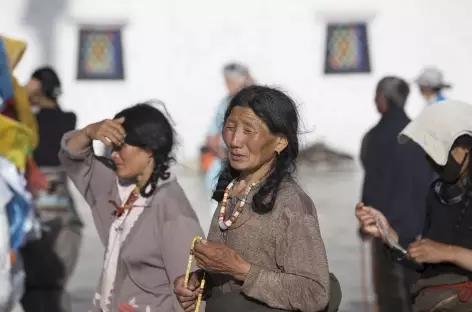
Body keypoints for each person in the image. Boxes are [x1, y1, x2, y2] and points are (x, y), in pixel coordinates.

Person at [175, 86, 341, 312]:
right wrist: (200, 282)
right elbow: (229, 278)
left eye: (249, 131)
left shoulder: (290, 204)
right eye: (230, 128)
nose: (235, 141)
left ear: (280, 141)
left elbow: (315, 292)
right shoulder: (232, 190)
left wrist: (242, 270)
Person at [59, 102, 205, 312]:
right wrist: (90, 131)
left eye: (121, 147)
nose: (113, 155)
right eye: (112, 148)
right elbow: (72, 157)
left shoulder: (173, 211)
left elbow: (191, 297)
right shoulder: (115, 184)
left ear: (149, 150)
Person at [356, 100, 472, 311]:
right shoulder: (437, 193)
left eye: (442, 154)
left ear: (467, 148)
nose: (434, 162)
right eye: (428, 154)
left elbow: (441, 253)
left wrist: (450, 252)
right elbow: (428, 260)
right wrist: (390, 236)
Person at [359, 77, 433, 312]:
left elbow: (371, 184)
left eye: (376, 96)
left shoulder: (374, 137)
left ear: (383, 100)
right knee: (419, 293)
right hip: (421, 231)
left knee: (390, 295)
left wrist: (364, 224)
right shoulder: (423, 135)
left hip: (385, 232)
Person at [19, 66, 82, 312]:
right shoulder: (68, 118)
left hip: (38, 194)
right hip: (58, 195)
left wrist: (23, 96)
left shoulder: (30, 121)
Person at [204, 63, 254, 200]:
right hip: (223, 162)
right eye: (227, 81)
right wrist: (222, 153)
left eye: (231, 81)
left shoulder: (253, 102)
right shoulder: (224, 103)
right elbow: (211, 135)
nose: (228, 85)